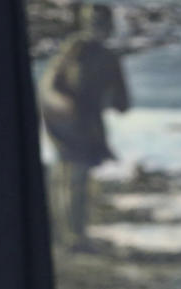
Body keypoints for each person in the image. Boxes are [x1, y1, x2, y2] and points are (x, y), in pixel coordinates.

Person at [39, 2, 130, 249]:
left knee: (75, 178)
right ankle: (70, 237)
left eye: (100, 23)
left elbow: (122, 102)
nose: (96, 28)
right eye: (92, 22)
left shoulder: (108, 58)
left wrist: (107, 100)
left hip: (87, 127)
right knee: (69, 176)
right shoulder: (72, 51)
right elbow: (49, 88)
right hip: (65, 124)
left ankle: (74, 234)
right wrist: (63, 106)